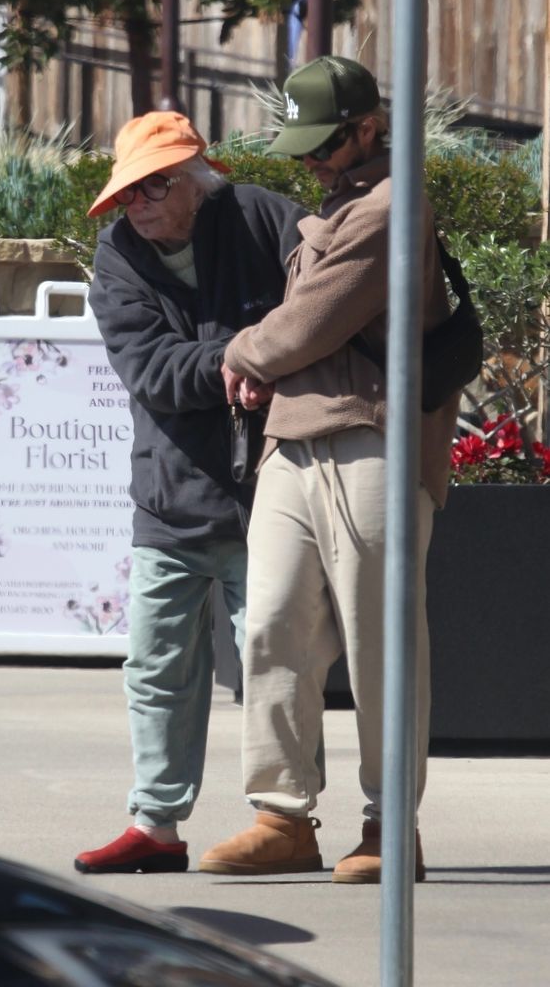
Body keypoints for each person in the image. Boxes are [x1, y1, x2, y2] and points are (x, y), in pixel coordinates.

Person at [199, 56, 459, 883]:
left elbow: (310, 323)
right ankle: (283, 818)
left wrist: (243, 351)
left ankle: (389, 826)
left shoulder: (391, 208)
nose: (308, 159)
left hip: (374, 438)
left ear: (368, 130)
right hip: (295, 439)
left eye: (322, 143)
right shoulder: (339, 208)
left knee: (383, 642)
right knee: (271, 624)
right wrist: (261, 357)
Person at [74, 110, 307, 874]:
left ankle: (283, 820)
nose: (138, 205)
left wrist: (258, 353)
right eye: (127, 193)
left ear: (198, 180)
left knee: (272, 658)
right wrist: (245, 358)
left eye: (154, 185)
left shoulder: (267, 217)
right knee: (155, 664)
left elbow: (322, 314)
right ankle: (156, 826)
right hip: (171, 493)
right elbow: (154, 374)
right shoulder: (117, 260)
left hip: (273, 486)